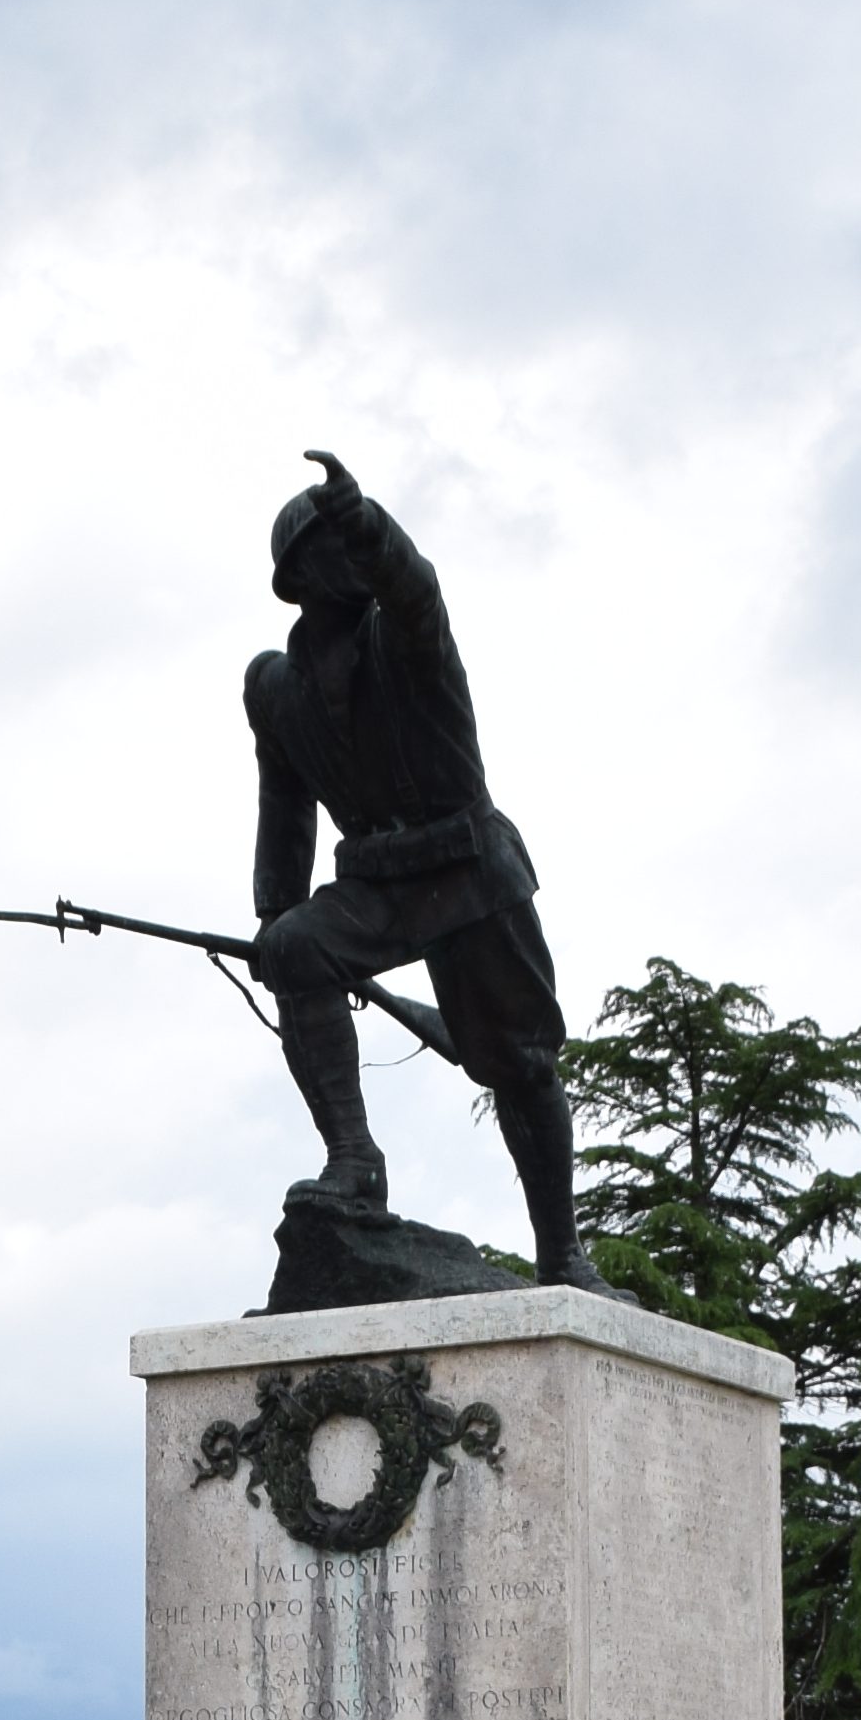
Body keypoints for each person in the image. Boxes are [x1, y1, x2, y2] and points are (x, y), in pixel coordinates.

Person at [245, 451, 604, 1291]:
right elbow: (284, 802)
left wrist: (367, 520)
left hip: (467, 864)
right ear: (299, 576)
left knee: (519, 1065)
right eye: (336, 545)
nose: (355, 559)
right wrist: (272, 915)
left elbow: (413, 584)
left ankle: (562, 1254)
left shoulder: (403, 634)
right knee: (298, 948)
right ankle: (354, 1160)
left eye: (355, 543)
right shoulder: (274, 687)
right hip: (377, 880)